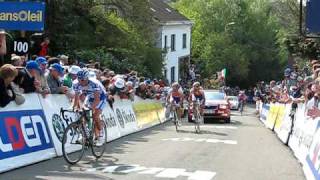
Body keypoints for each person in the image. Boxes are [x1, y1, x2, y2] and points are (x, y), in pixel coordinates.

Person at [73, 70, 107, 146]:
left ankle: (100, 135)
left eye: (82, 80)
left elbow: (97, 99)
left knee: (95, 115)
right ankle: (84, 135)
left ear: (87, 78)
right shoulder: (76, 84)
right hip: (89, 97)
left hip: (101, 98)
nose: (80, 82)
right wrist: (74, 107)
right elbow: (76, 97)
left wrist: (91, 108)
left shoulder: (94, 83)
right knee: (83, 115)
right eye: (79, 79)